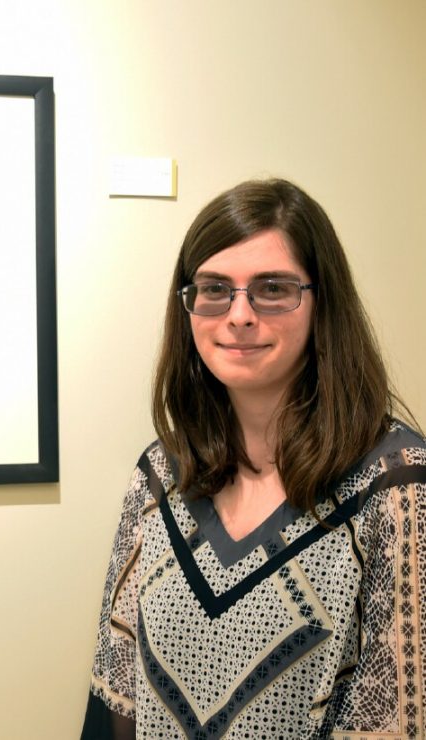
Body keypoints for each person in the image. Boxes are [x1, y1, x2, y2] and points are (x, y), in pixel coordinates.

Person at [80, 178, 425, 739]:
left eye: (272, 288)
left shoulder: (397, 486)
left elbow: (400, 722)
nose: (239, 315)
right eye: (215, 288)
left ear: (323, 302)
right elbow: (116, 698)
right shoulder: (160, 475)